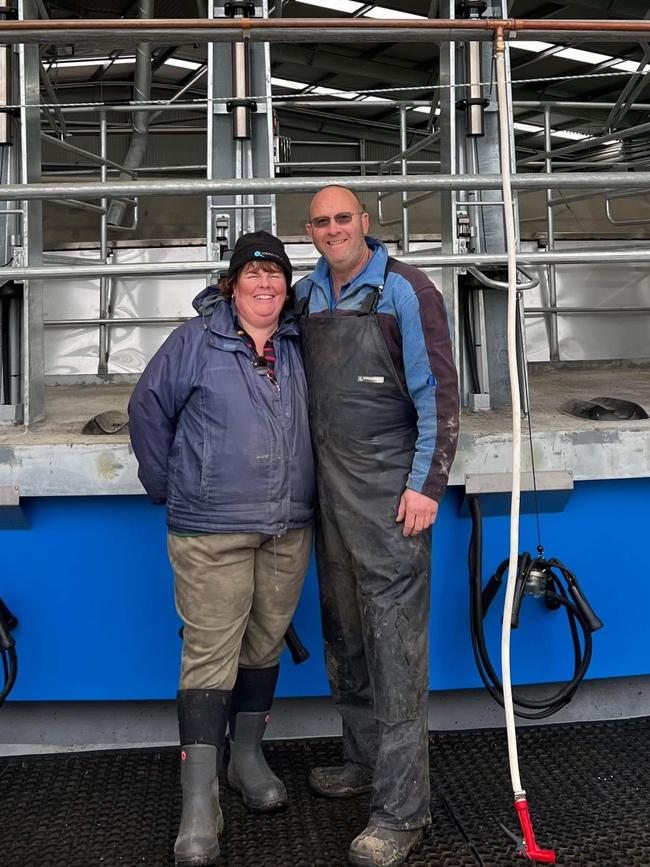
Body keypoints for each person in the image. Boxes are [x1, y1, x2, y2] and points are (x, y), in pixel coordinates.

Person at [128, 231, 314, 867]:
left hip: (287, 525)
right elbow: (147, 411)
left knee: (264, 643)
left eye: (276, 276)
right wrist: (173, 488)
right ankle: (198, 803)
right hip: (211, 527)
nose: (266, 285)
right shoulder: (195, 341)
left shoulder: (298, 342)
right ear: (232, 283)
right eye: (253, 275)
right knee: (210, 655)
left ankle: (247, 759)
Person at [295, 186, 459, 867]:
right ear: (310, 232)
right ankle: (363, 762)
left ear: (366, 222)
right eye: (321, 222)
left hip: (392, 493)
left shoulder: (405, 290)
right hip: (328, 491)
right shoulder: (306, 294)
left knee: (395, 651)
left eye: (344, 217)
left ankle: (402, 811)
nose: (334, 229)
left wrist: (426, 486)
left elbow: (440, 398)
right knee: (346, 636)